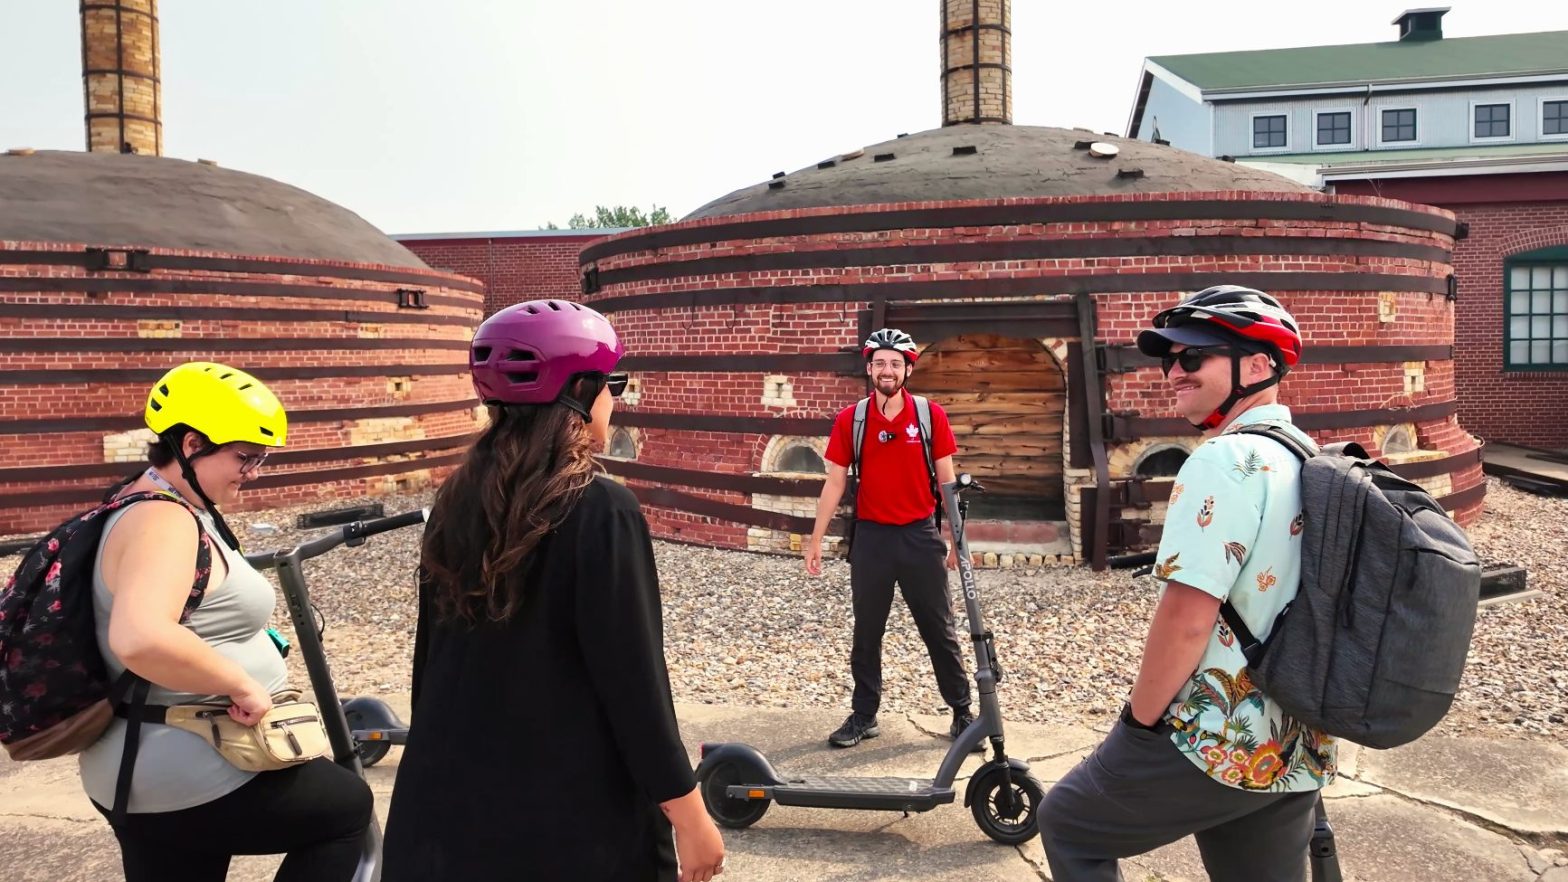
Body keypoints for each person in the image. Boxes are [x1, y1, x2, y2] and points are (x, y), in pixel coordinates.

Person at [382, 299, 725, 882]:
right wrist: (690, 816)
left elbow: (429, 666)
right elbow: (635, 683)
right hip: (566, 828)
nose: (614, 400)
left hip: (440, 813)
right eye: (612, 384)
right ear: (581, 390)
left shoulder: (455, 500)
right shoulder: (600, 507)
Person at [1036, 287, 1337, 882]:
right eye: (1170, 358)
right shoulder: (1309, 456)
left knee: (1069, 821)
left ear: (1258, 365)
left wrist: (1139, 722)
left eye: (1194, 357)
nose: (1175, 371)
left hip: (1216, 735)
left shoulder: (1224, 462)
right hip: (1296, 734)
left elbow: (1188, 618)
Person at [81, 361, 373, 881]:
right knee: (346, 810)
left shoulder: (140, 502)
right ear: (192, 444)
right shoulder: (162, 521)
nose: (254, 471)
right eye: (244, 456)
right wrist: (244, 684)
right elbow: (141, 638)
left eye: (261, 459)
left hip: (144, 763)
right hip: (180, 765)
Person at [803, 327, 977, 749]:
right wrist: (815, 541)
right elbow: (833, 483)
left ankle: (962, 712)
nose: (887, 369)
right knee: (867, 632)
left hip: (920, 536)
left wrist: (956, 540)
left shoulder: (929, 415)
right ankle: (864, 715)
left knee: (939, 629)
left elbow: (948, 482)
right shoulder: (852, 419)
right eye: (879, 362)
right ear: (869, 367)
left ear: (907, 369)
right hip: (873, 539)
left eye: (895, 363)